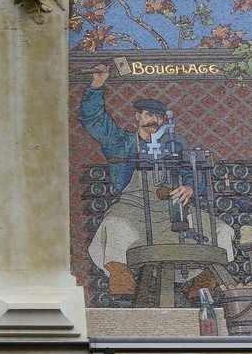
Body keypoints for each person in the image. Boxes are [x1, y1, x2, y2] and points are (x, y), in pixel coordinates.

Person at [79, 61, 235, 295]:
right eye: (149, 114)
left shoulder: (174, 147)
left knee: (223, 231)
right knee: (114, 227)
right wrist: (97, 84)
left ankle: (202, 287)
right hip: (133, 209)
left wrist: (190, 188)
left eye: (159, 117)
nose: (154, 120)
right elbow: (93, 120)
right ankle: (123, 288)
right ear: (138, 116)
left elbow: (193, 174)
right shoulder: (120, 142)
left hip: (172, 212)